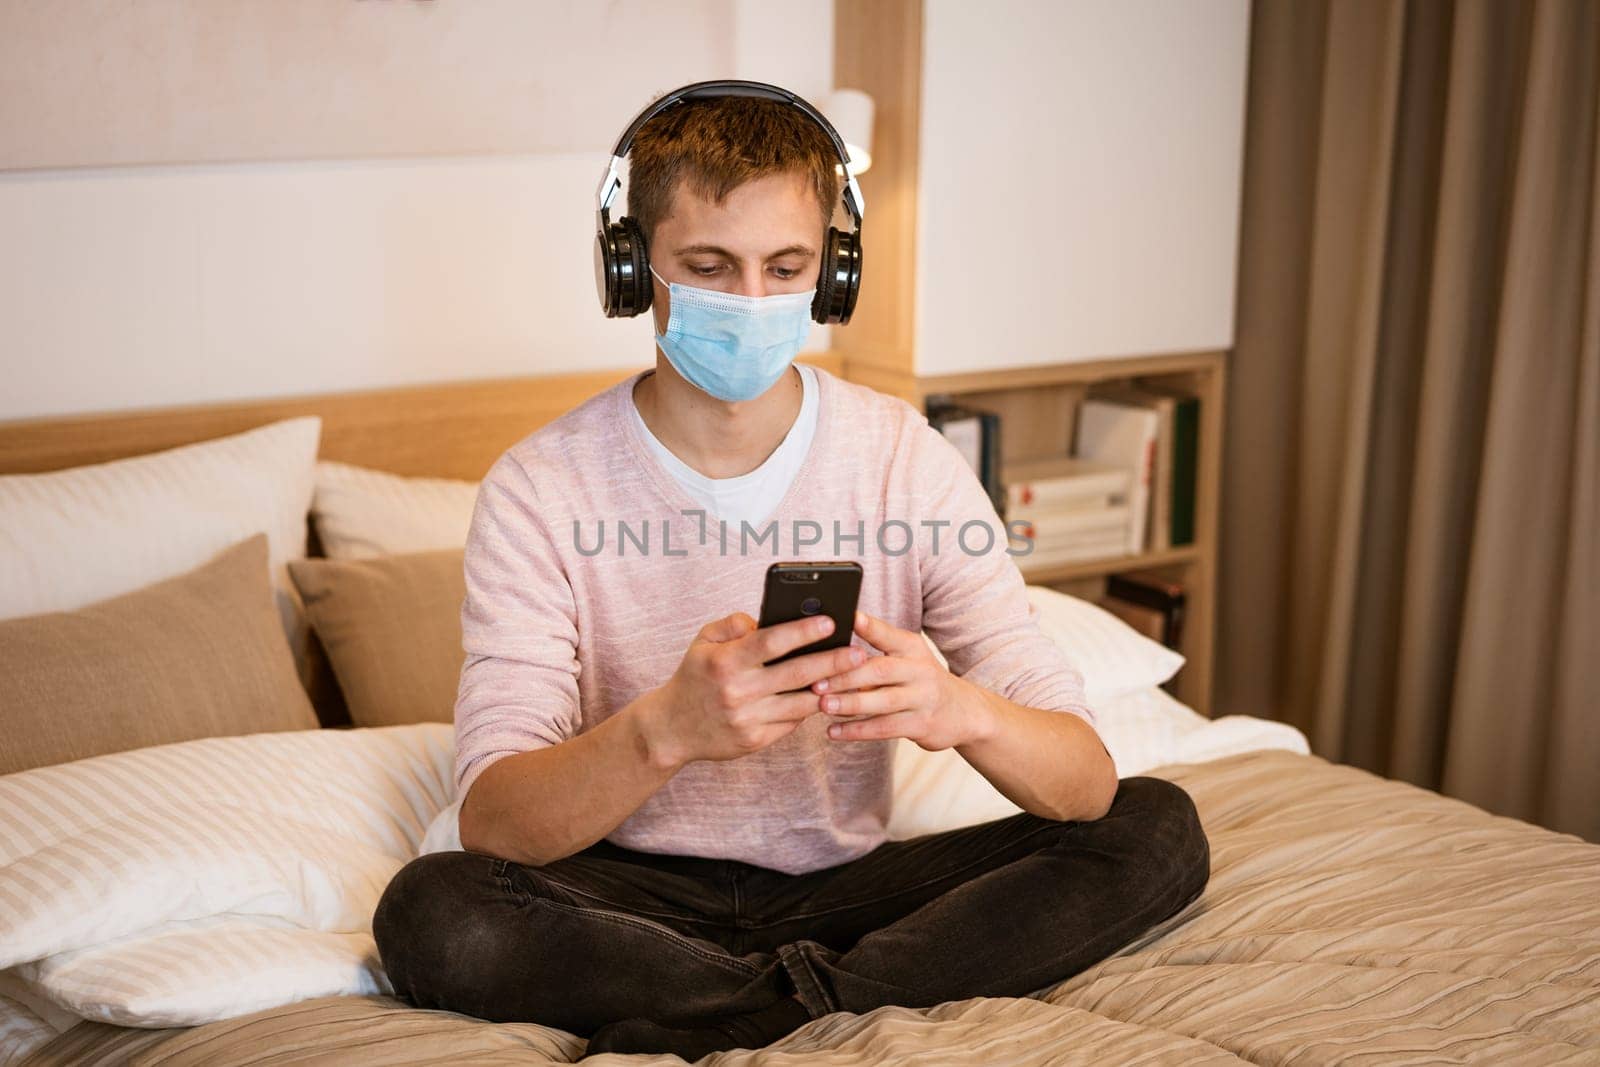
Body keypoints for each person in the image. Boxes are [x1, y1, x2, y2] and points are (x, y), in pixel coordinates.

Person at [372, 82, 1210, 1060]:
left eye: (786, 266)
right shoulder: (538, 486)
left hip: (846, 884)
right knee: (435, 908)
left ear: (833, 272)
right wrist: (664, 729)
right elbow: (496, 819)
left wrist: (958, 708)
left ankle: (756, 1009)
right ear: (633, 267)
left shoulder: (902, 457)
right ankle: (841, 996)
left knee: (1155, 825)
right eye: (709, 266)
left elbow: (1082, 778)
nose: (755, 302)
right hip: (625, 894)